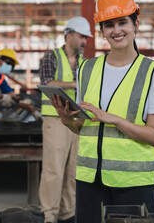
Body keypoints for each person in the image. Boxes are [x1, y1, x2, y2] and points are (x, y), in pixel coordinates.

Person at [50, 0, 154, 223]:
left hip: (134, 184)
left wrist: (114, 118)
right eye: (109, 25)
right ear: (101, 31)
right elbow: (85, 127)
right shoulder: (87, 69)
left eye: (122, 22)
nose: (116, 30)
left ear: (136, 24)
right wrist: (68, 121)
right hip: (89, 182)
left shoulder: (152, 72)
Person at [38, 16, 93, 223]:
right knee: (53, 170)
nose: (84, 42)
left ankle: (67, 214)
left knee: (73, 170)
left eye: (85, 38)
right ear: (68, 36)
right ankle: (48, 215)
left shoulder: (84, 63)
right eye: (81, 37)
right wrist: (74, 85)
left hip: (76, 121)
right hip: (54, 120)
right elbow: (46, 82)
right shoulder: (51, 56)